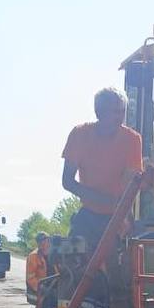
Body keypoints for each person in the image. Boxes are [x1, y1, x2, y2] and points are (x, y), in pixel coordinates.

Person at [61, 87, 143, 250]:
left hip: (116, 217)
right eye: (114, 112)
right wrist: (102, 199)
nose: (119, 117)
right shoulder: (79, 135)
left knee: (120, 264)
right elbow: (67, 181)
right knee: (68, 258)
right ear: (99, 112)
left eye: (122, 111)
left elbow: (129, 184)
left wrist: (127, 215)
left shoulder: (132, 140)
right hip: (87, 215)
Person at [25, 232, 50, 304]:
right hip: (36, 292)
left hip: (48, 289)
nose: (45, 243)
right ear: (39, 243)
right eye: (43, 241)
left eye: (47, 240)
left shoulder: (52, 255)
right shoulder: (33, 256)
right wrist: (42, 288)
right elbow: (30, 278)